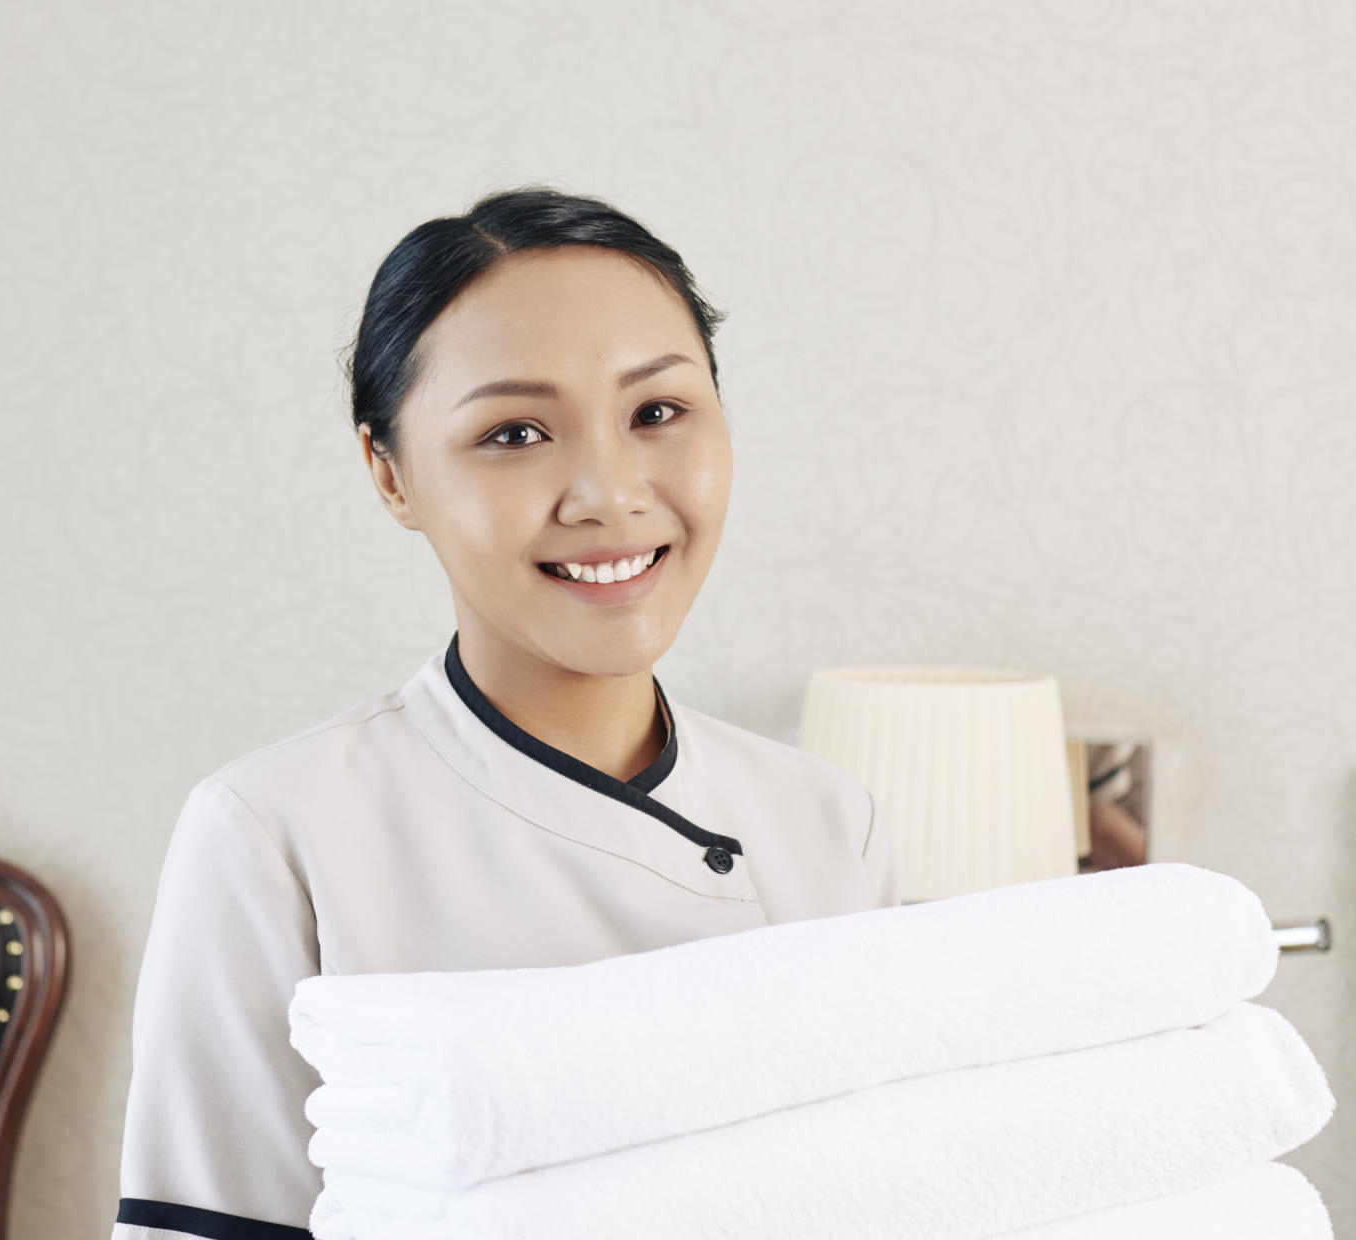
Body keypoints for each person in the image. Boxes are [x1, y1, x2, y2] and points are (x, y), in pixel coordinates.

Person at [109, 186, 900, 1240]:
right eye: (516, 431)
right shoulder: (275, 833)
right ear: (389, 473)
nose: (608, 494)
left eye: (657, 412)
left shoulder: (827, 824)